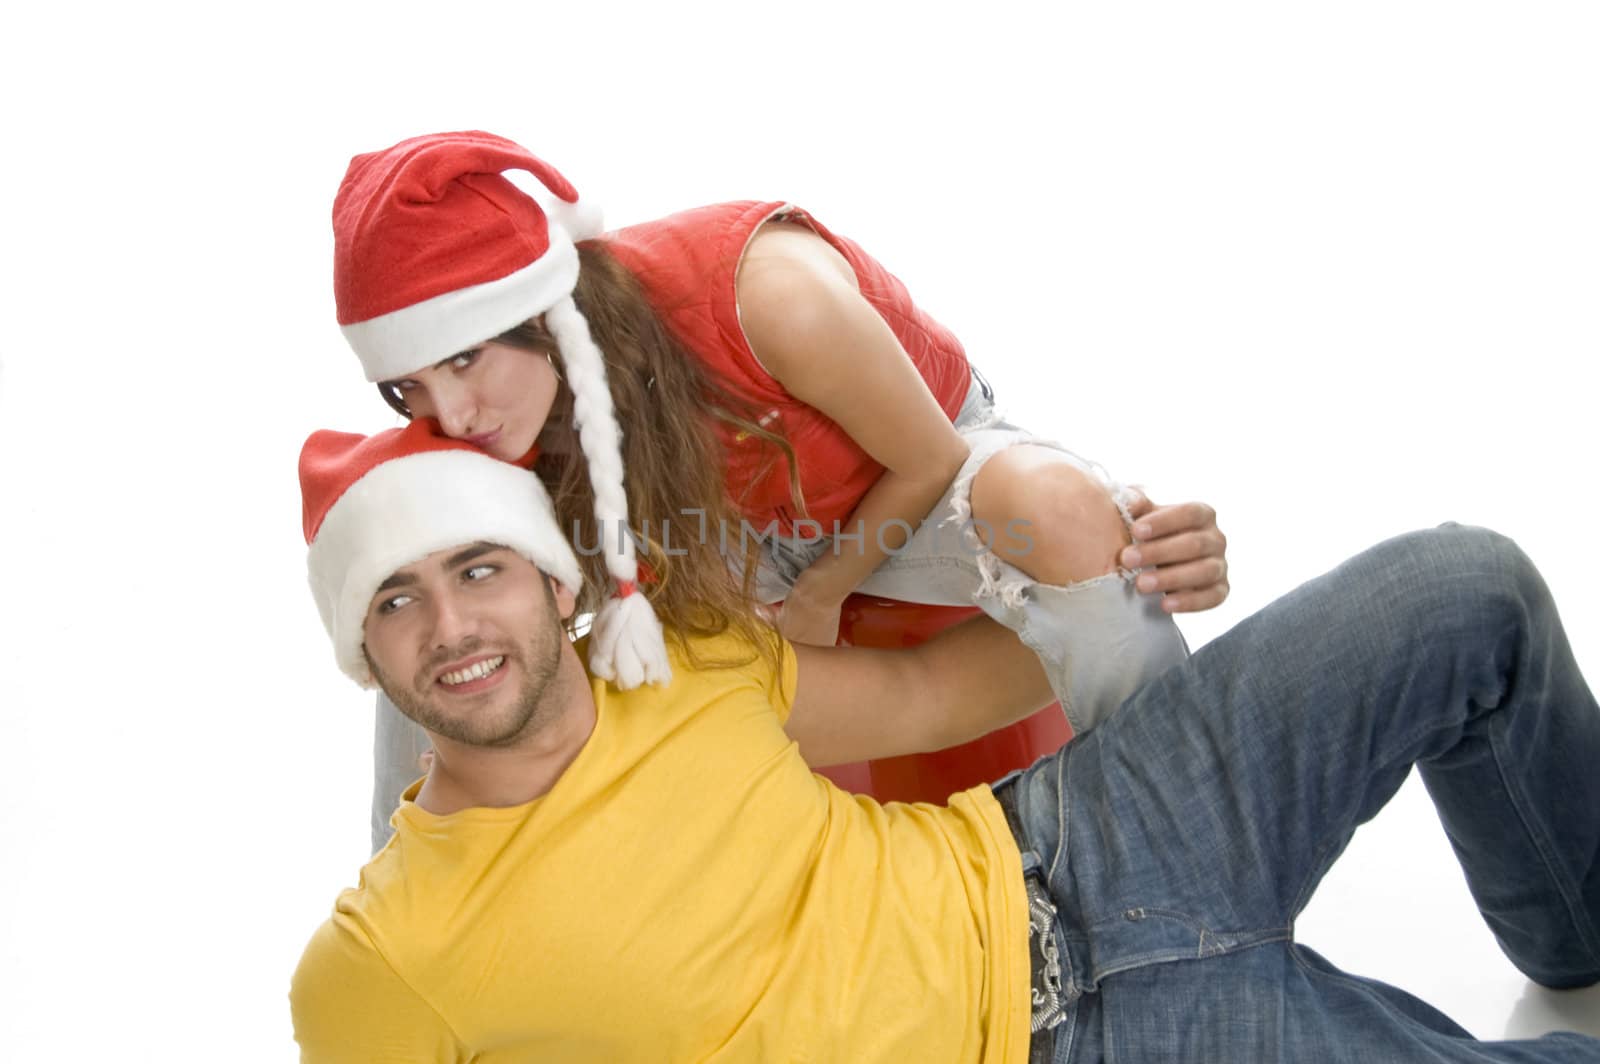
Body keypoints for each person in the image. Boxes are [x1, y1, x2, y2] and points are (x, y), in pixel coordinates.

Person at [290, 419, 1600, 1063]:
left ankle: (1577, 931)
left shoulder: (680, 664)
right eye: (394, 601)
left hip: (1078, 839)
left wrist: (1119, 563)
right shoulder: (380, 963)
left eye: (480, 570)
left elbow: (924, 703)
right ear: (363, 657)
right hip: (1075, 1050)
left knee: (1462, 588)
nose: (450, 624)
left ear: (558, 585)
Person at [330, 131, 1230, 846]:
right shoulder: (496, 414)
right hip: (717, 525)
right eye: (409, 387)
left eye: (461, 358)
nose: (447, 413)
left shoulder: (766, 294)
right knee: (414, 575)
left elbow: (926, 461)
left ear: (539, 310)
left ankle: (1190, 827)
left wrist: (821, 595)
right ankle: (404, 888)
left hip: (908, 487)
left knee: (1060, 516)